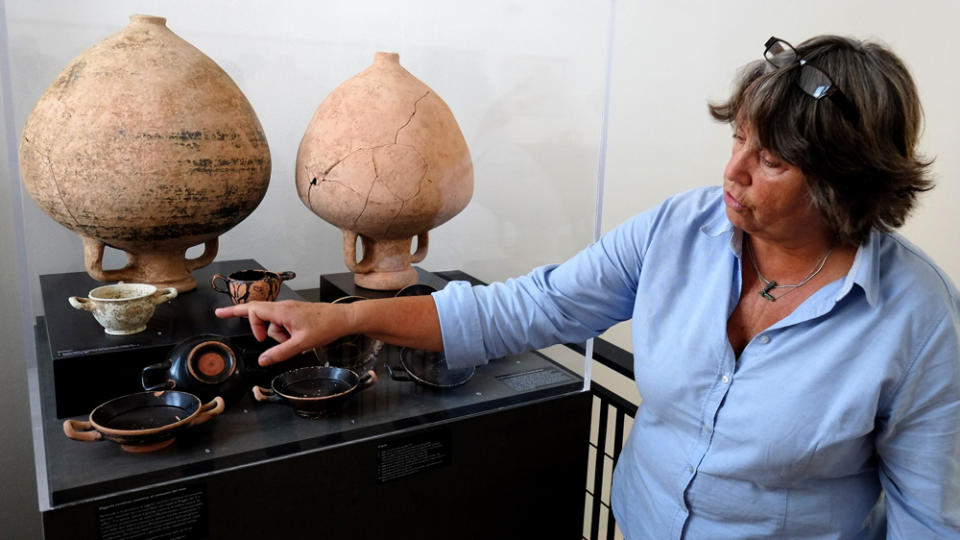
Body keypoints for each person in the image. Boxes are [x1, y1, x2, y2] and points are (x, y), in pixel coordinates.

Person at [216, 35, 960, 538]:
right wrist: (345, 320)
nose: (732, 171)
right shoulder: (680, 230)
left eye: (771, 161)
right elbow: (525, 308)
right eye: (737, 137)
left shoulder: (915, 316)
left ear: (843, 178)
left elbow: (933, 520)